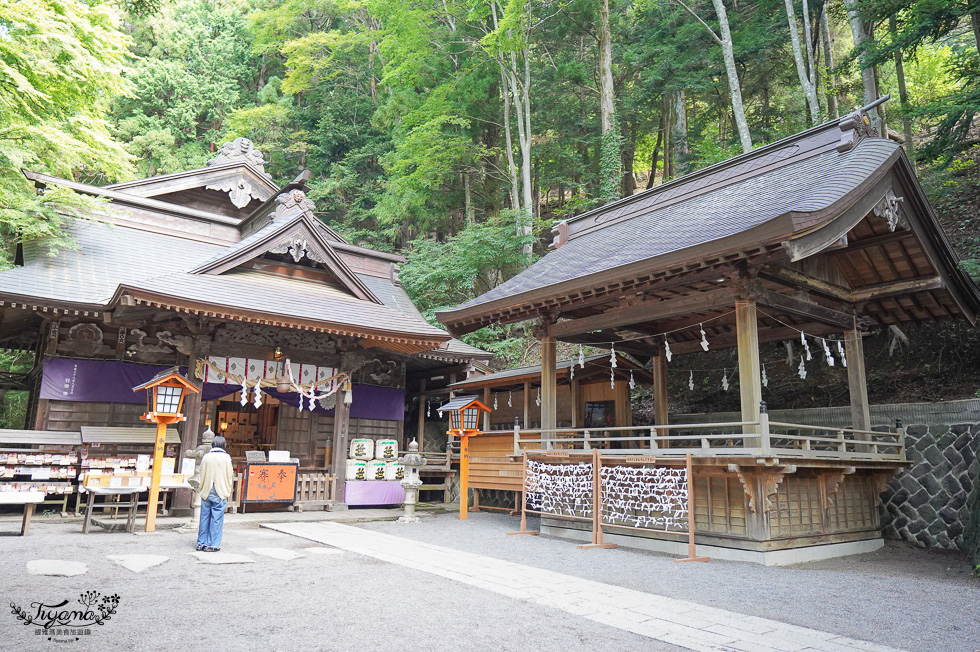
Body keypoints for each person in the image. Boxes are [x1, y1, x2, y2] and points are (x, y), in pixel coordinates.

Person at [196, 435, 234, 552]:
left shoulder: (206, 457)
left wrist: (201, 487)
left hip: (207, 489)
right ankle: (213, 544)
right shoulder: (226, 458)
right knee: (216, 517)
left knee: (204, 517)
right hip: (220, 489)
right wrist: (228, 489)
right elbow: (229, 474)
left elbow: (201, 472)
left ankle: (201, 543)